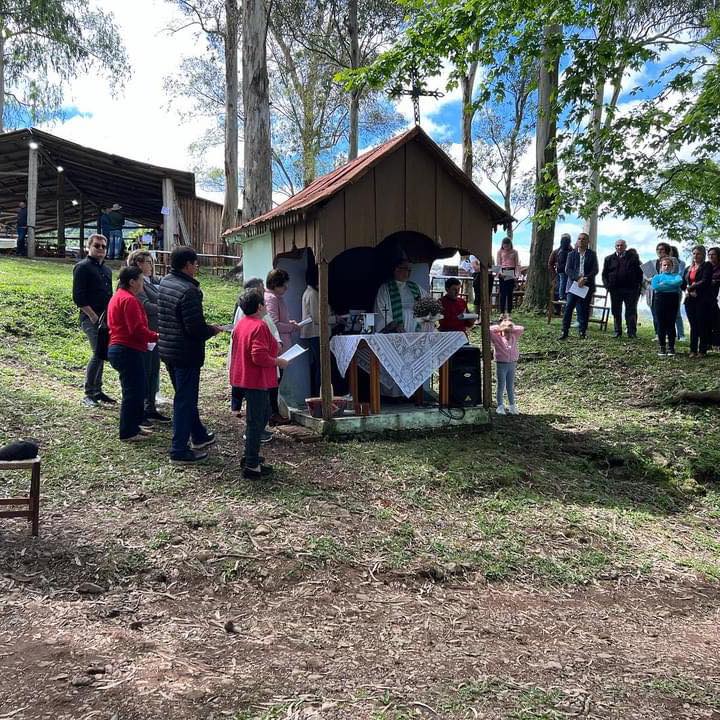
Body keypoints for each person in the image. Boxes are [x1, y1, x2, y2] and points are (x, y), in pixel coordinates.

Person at [158, 246, 222, 462]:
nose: (197, 267)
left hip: (168, 349)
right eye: (195, 263)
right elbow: (194, 328)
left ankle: (199, 435)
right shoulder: (189, 291)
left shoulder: (166, 282)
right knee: (184, 401)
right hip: (185, 353)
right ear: (187, 265)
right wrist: (212, 330)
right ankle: (178, 449)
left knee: (185, 397)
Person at [229, 290, 289, 479]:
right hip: (255, 379)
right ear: (259, 307)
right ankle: (252, 464)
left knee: (261, 415)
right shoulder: (259, 326)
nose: (265, 306)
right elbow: (259, 355)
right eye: (263, 303)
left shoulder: (241, 324)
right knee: (256, 422)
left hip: (244, 377)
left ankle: (250, 455)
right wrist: (277, 361)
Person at [106, 266, 159, 441]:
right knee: (133, 392)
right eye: (141, 281)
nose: (143, 284)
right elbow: (136, 329)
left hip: (123, 348)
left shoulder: (119, 297)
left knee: (137, 389)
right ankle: (128, 431)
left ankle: (134, 425)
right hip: (127, 349)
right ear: (132, 282)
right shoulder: (128, 300)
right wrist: (157, 336)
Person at [127, 250, 170, 423]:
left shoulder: (150, 281)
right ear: (138, 263)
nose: (151, 266)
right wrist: (167, 307)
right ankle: (142, 409)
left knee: (153, 371)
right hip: (144, 333)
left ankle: (150, 406)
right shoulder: (136, 284)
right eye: (148, 262)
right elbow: (145, 305)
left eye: (151, 262)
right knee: (144, 372)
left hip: (154, 332)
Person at [72, 233, 115, 407]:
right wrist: (93, 316)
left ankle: (97, 390)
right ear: (89, 246)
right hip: (91, 317)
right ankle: (89, 392)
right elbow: (78, 297)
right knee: (98, 353)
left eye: (104, 246)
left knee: (102, 352)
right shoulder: (82, 267)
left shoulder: (106, 269)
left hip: (106, 318)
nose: (101, 249)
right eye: (97, 246)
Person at [264, 268, 298, 425]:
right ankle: (272, 413)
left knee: (277, 380)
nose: (286, 289)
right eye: (283, 286)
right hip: (278, 345)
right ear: (275, 284)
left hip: (283, 342)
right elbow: (274, 324)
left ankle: (273, 412)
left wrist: (289, 323)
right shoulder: (271, 298)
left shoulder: (276, 297)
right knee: (275, 381)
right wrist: (290, 327)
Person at [558, 232, 598, 340]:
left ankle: (582, 332)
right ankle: (564, 331)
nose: (581, 240)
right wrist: (578, 278)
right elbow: (567, 269)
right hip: (573, 286)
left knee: (584, 310)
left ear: (588, 241)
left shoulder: (592, 254)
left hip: (586, 285)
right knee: (568, 308)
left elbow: (595, 269)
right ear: (577, 241)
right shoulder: (571, 254)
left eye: (584, 239)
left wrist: (585, 278)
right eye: (579, 238)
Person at [601, 239, 643, 338]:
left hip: (630, 289)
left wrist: (637, 286)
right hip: (615, 289)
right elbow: (604, 274)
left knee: (631, 311)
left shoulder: (633, 257)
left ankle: (631, 332)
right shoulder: (609, 259)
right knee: (616, 310)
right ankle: (617, 331)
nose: (619, 247)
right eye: (617, 245)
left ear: (625, 246)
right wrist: (608, 286)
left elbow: (639, 273)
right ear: (615, 247)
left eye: (621, 245)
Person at [374, 257, 423, 332]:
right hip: (396, 328)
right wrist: (394, 325)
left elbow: (427, 302)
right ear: (397, 269)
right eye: (406, 269)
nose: (409, 273)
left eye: (410, 270)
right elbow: (381, 309)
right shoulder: (385, 288)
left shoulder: (415, 287)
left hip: (415, 327)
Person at [682, 245, 714, 357]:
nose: (696, 256)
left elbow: (705, 281)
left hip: (702, 299)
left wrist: (692, 287)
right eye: (694, 253)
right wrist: (688, 290)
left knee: (702, 324)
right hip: (690, 299)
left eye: (698, 253)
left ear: (703, 255)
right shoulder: (688, 268)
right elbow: (683, 284)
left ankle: (702, 350)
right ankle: (693, 350)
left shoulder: (707, 266)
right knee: (693, 325)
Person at [489, 315, 524, 415]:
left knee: (510, 385)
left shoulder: (514, 336)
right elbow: (489, 329)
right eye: (506, 332)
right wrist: (501, 327)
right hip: (501, 363)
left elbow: (521, 328)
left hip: (512, 363)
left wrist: (510, 326)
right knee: (501, 385)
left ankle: (512, 405)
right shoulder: (497, 337)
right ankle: (500, 405)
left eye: (510, 331)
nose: (508, 334)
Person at [651, 257, 683, 356]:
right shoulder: (656, 277)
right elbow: (656, 286)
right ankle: (662, 347)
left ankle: (671, 347)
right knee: (661, 324)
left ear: (672, 266)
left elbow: (678, 283)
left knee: (671, 323)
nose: (666, 267)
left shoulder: (676, 276)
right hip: (660, 300)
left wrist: (665, 283)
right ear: (661, 266)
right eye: (664, 265)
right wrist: (671, 285)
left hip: (672, 300)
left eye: (668, 265)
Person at [300, 263, 321, 397]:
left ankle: (316, 392)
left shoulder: (309, 292)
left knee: (316, 364)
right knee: (320, 365)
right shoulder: (312, 293)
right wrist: (334, 319)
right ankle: (318, 393)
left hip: (312, 333)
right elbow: (317, 318)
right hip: (315, 333)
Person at [496, 237, 520, 314]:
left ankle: (509, 313)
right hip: (502, 271)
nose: (506, 248)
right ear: (502, 245)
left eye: (507, 246)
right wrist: (500, 273)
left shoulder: (515, 252)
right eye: (504, 246)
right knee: (502, 293)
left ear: (510, 245)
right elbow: (498, 264)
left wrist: (517, 275)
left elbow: (517, 264)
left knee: (510, 293)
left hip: (511, 271)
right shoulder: (499, 252)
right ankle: (502, 313)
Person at [669, 246, 687, 341]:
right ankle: (670, 334)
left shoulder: (681, 263)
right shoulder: (664, 262)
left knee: (677, 312)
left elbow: (679, 275)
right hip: (665, 290)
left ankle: (681, 334)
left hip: (676, 289)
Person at [709, 246, 720, 348]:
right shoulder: (706, 266)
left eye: (713, 254)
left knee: (716, 321)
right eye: (709, 255)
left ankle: (716, 343)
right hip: (702, 298)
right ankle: (707, 343)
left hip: (713, 298)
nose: (711, 256)